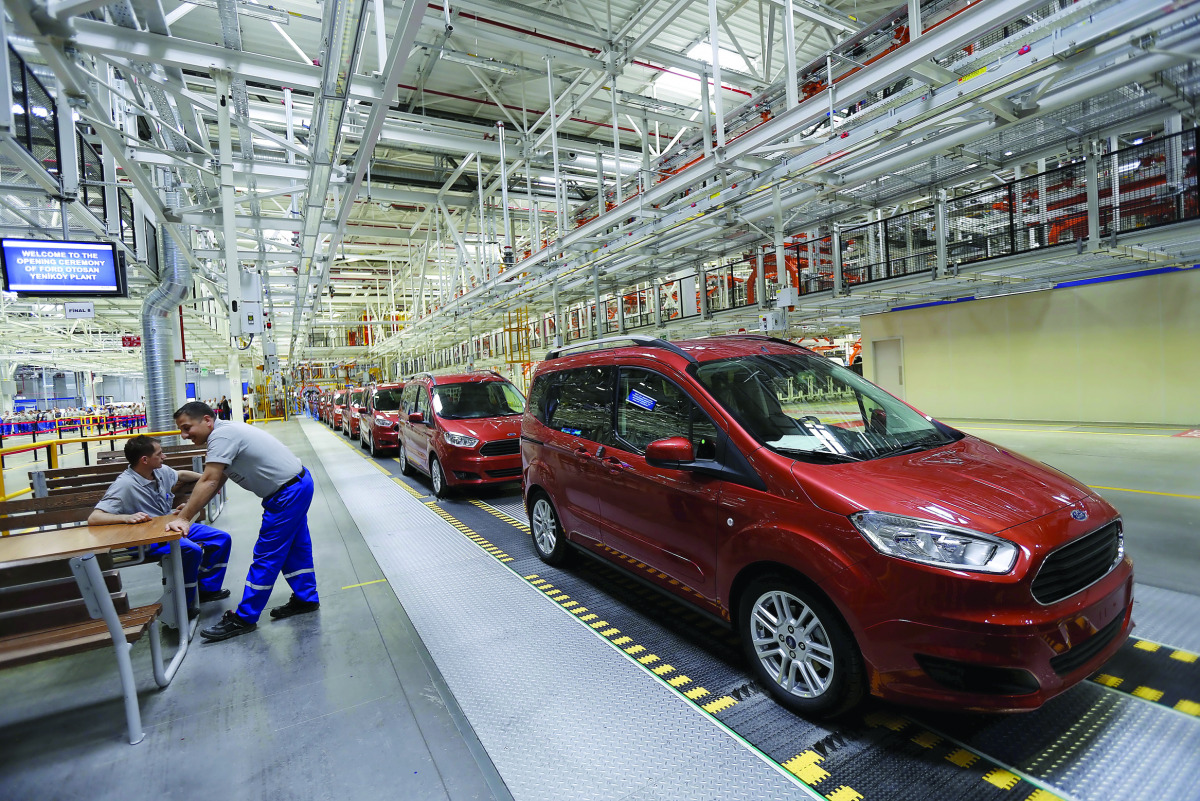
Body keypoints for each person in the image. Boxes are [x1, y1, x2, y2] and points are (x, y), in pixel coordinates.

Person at [169, 401, 318, 642]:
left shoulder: (221, 435)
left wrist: (185, 519)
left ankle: (245, 617)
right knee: (296, 548)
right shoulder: (224, 433)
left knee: (267, 554)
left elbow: (208, 480)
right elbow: (217, 481)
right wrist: (189, 509)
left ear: (207, 420)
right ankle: (306, 598)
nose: (184, 435)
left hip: (286, 494)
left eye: (187, 428)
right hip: (295, 486)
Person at [89, 435, 232, 617]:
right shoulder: (124, 485)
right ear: (145, 460)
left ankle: (206, 589)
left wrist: (207, 483)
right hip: (144, 539)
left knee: (221, 539)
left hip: (170, 526)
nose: (164, 457)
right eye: (160, 454)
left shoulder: (160, 471)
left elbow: (180, 475)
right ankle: (183, 604)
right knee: (191, 550)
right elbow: (95, 518)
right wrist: (126, 517)